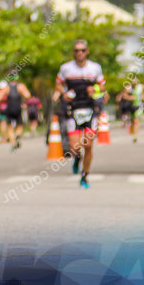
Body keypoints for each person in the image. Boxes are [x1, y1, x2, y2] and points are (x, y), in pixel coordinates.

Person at [56, 39, 105, 188]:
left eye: (82, 50)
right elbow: (58, 83)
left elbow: (102, 86)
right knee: (75, 147)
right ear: (73, 52)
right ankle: (77, 157)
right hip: (73, 110)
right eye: (77, 50)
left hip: (90, 110)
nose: (80, 53)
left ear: (87, 51)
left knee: (88, 145)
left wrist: (95, 90)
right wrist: (63, 93)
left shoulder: (95, 68)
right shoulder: (66, 68)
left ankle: (85, 175)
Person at [0, 74, 30, 151]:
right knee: (20, 125)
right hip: (18, 108)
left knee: (9, 127)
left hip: (9, 109)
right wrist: (24, 101)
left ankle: (13, 144)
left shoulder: (6, 87)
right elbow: (28, 95)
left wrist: (3, 99)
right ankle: (17, 135)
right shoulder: (20, 86)